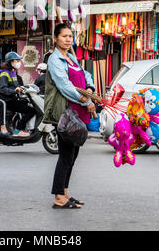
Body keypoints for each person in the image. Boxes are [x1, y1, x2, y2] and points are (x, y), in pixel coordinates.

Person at [43, 23, 96, 209]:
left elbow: (86, 74)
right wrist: (86, 101)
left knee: (72, 156)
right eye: (64, 36)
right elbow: (65, 86)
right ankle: (58, 197)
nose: (68, 39)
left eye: (70, 36)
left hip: (78, 112)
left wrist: (90, 88)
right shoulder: (55, 60)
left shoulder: (71, 57)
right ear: (55, 38)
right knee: (65, 156)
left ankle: (65, 193)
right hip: (66, 112)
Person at [0, 52, 35, 137]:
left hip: (13, 98)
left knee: (29, 105)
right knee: (30, 110)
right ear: (10, 61)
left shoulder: (13, 72)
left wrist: (24, 88)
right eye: (17, 60)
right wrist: (15, 90)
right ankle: (18, 130)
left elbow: (16, 86)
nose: (19, 62)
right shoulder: (5, 73)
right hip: (8, 100)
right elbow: (3, 89)